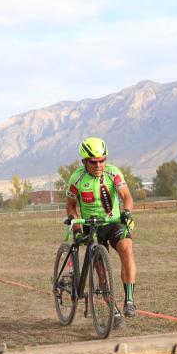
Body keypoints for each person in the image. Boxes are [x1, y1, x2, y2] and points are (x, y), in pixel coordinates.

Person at [65, 137, 137, 329]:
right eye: (94, 162)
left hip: (112, 222)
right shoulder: (77, 179)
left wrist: (127, 212)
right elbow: (71, 207)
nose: (99, 165)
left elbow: (126, 197)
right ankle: (113, 309)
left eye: (102, 160)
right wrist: (78, 229)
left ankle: (129, 299)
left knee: (126, 247)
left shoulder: (113, 173)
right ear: (84, 162)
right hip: (90, 225)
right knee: (101, 271)